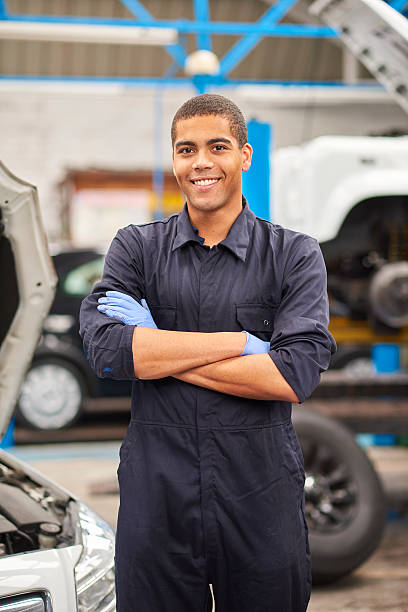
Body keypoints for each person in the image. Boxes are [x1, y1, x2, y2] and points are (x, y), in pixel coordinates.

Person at [79, 93, 336, 612]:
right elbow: (109, 352)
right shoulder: (136, 249)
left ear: (244, 155)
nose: (200, 162)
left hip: (259, 494)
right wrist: (240, 344)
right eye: (185, 149)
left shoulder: (294, 255)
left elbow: (292, 376)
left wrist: (159, 348)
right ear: (173, 159)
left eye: (217, 147)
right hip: (158, 498)